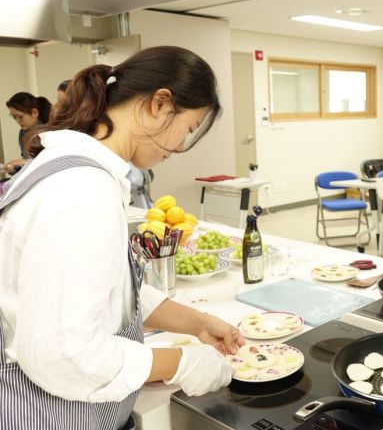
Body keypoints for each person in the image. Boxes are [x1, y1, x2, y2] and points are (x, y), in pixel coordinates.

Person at [0, 46, 241, 429]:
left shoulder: (80, 172)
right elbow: (66, 353)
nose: (179, 147)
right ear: (159, 104)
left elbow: (102, 287)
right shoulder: (80, 191)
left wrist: (196, 322)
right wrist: (182, 362)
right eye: (188, 129)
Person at [4, 92, 52, 174]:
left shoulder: (50, 132)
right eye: (14, 117)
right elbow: (26, 159)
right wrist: (17, 169)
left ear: (34, 113)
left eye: (20, 117)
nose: (17, 121)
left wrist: (23, 162)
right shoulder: (22, 133)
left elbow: (51, 162)